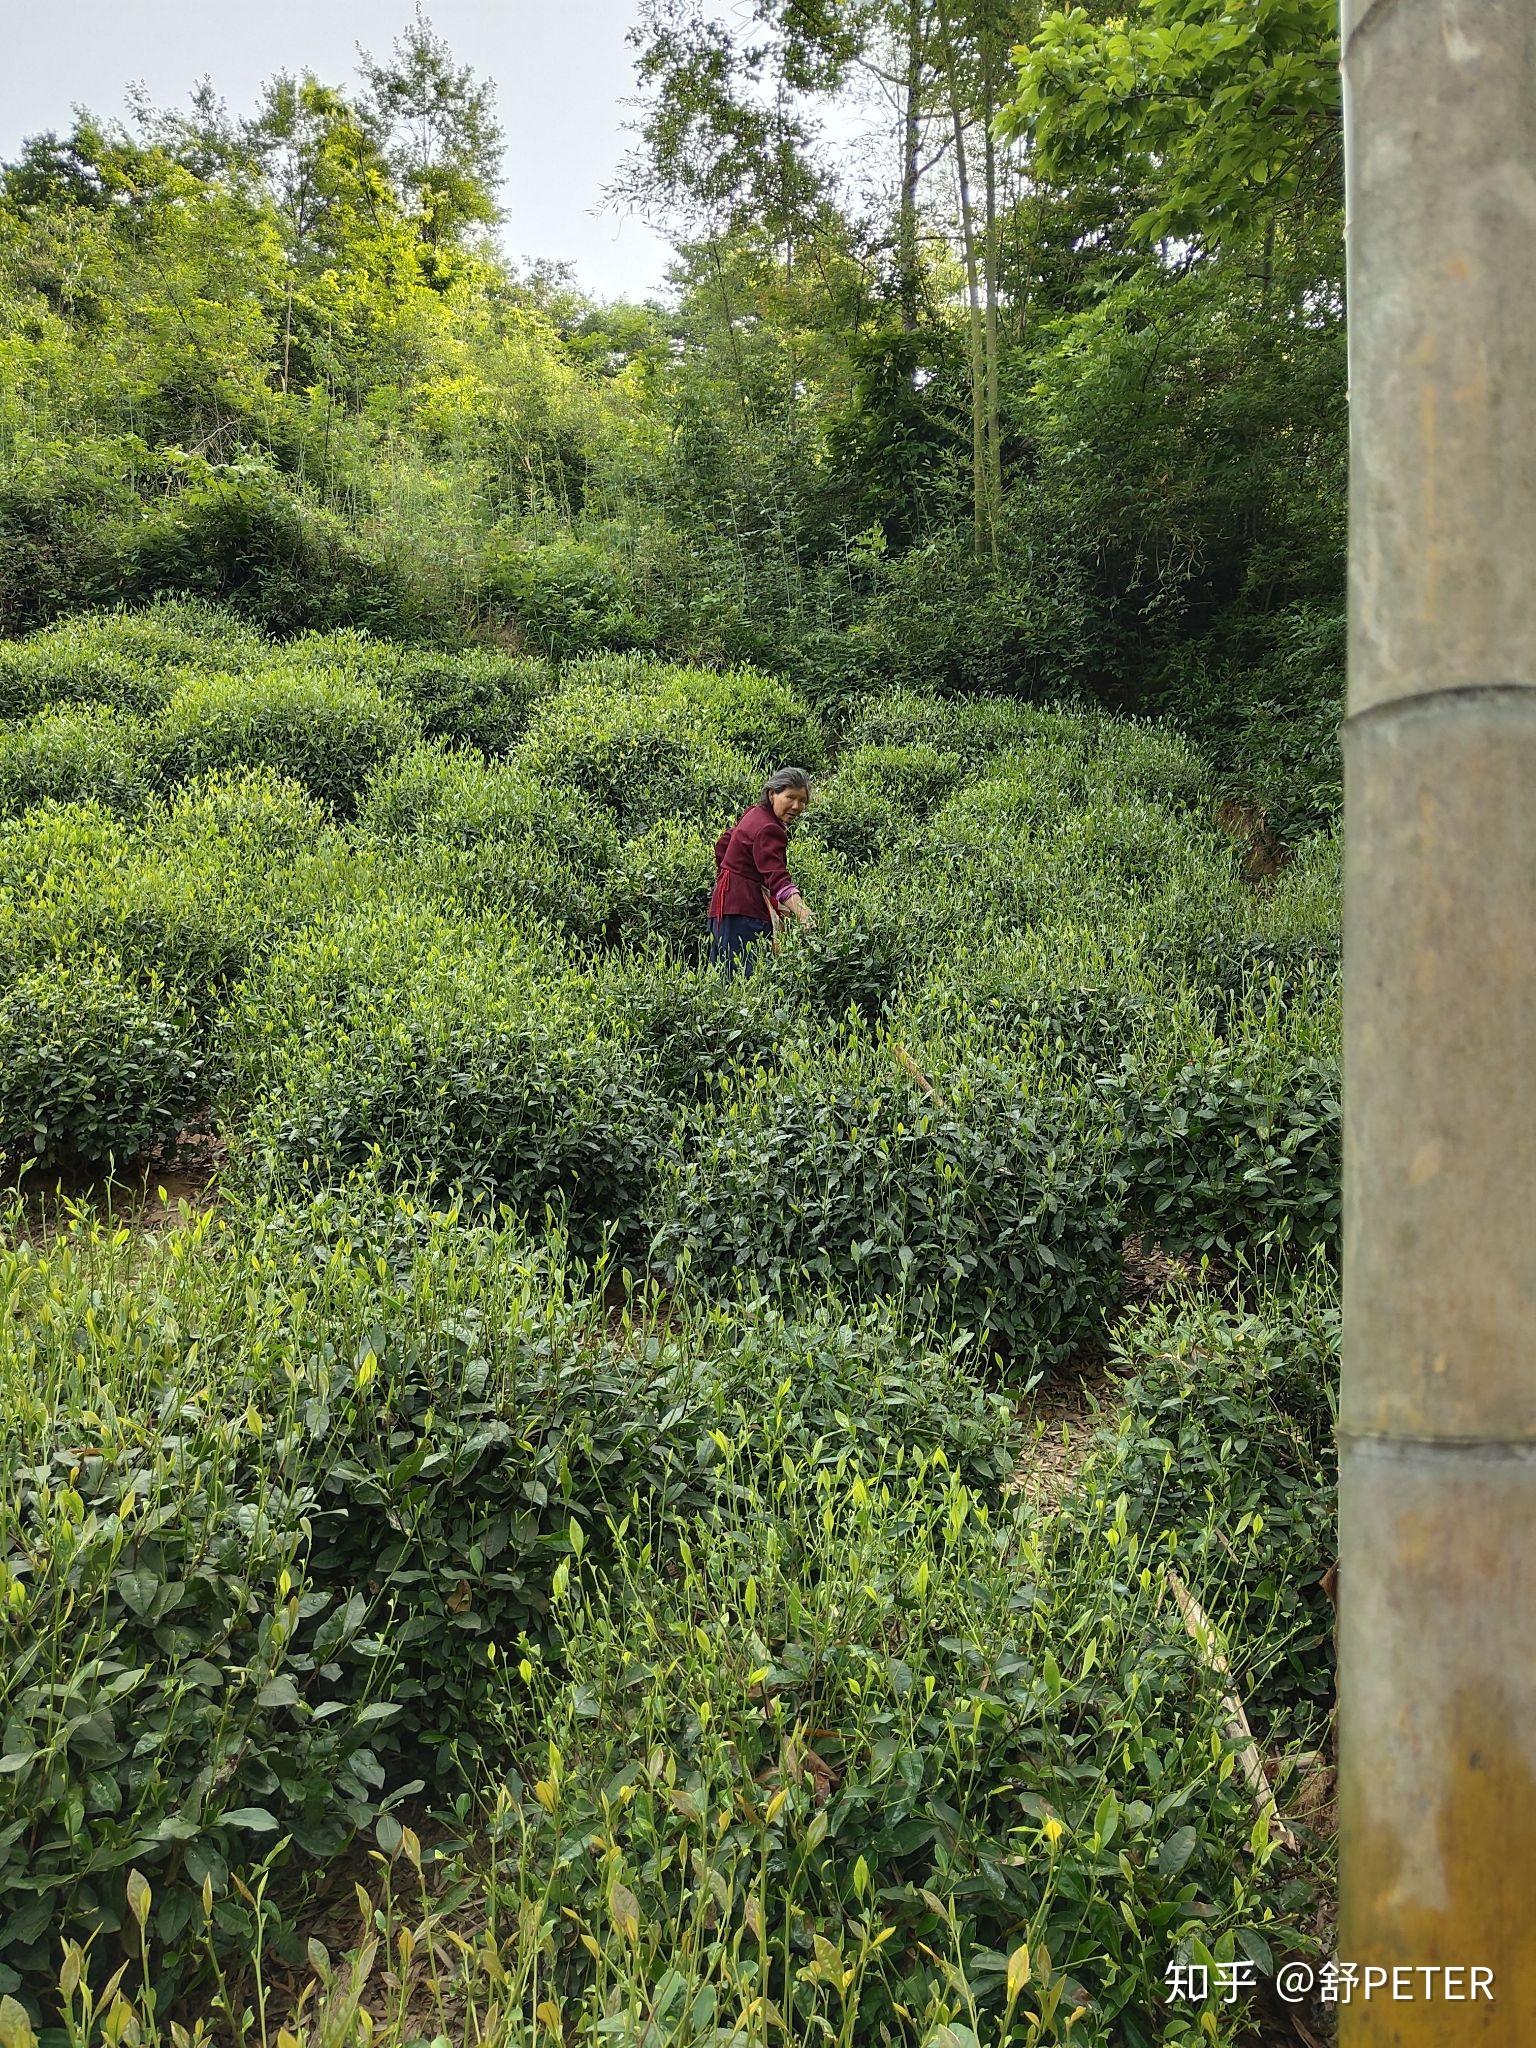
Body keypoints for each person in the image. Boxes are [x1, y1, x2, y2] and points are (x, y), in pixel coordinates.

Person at [709, 767, 814, 971]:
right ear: (772, 794)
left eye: (802, 800)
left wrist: (729, 879)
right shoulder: (769, 828)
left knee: (724, 976)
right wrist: (803, 913)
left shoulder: (754, 813)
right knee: (746, 979)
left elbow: (724, 842)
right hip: (744, 913)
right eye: (790, 797)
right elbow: (778, 879)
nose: (796, 806)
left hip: (724, 907)